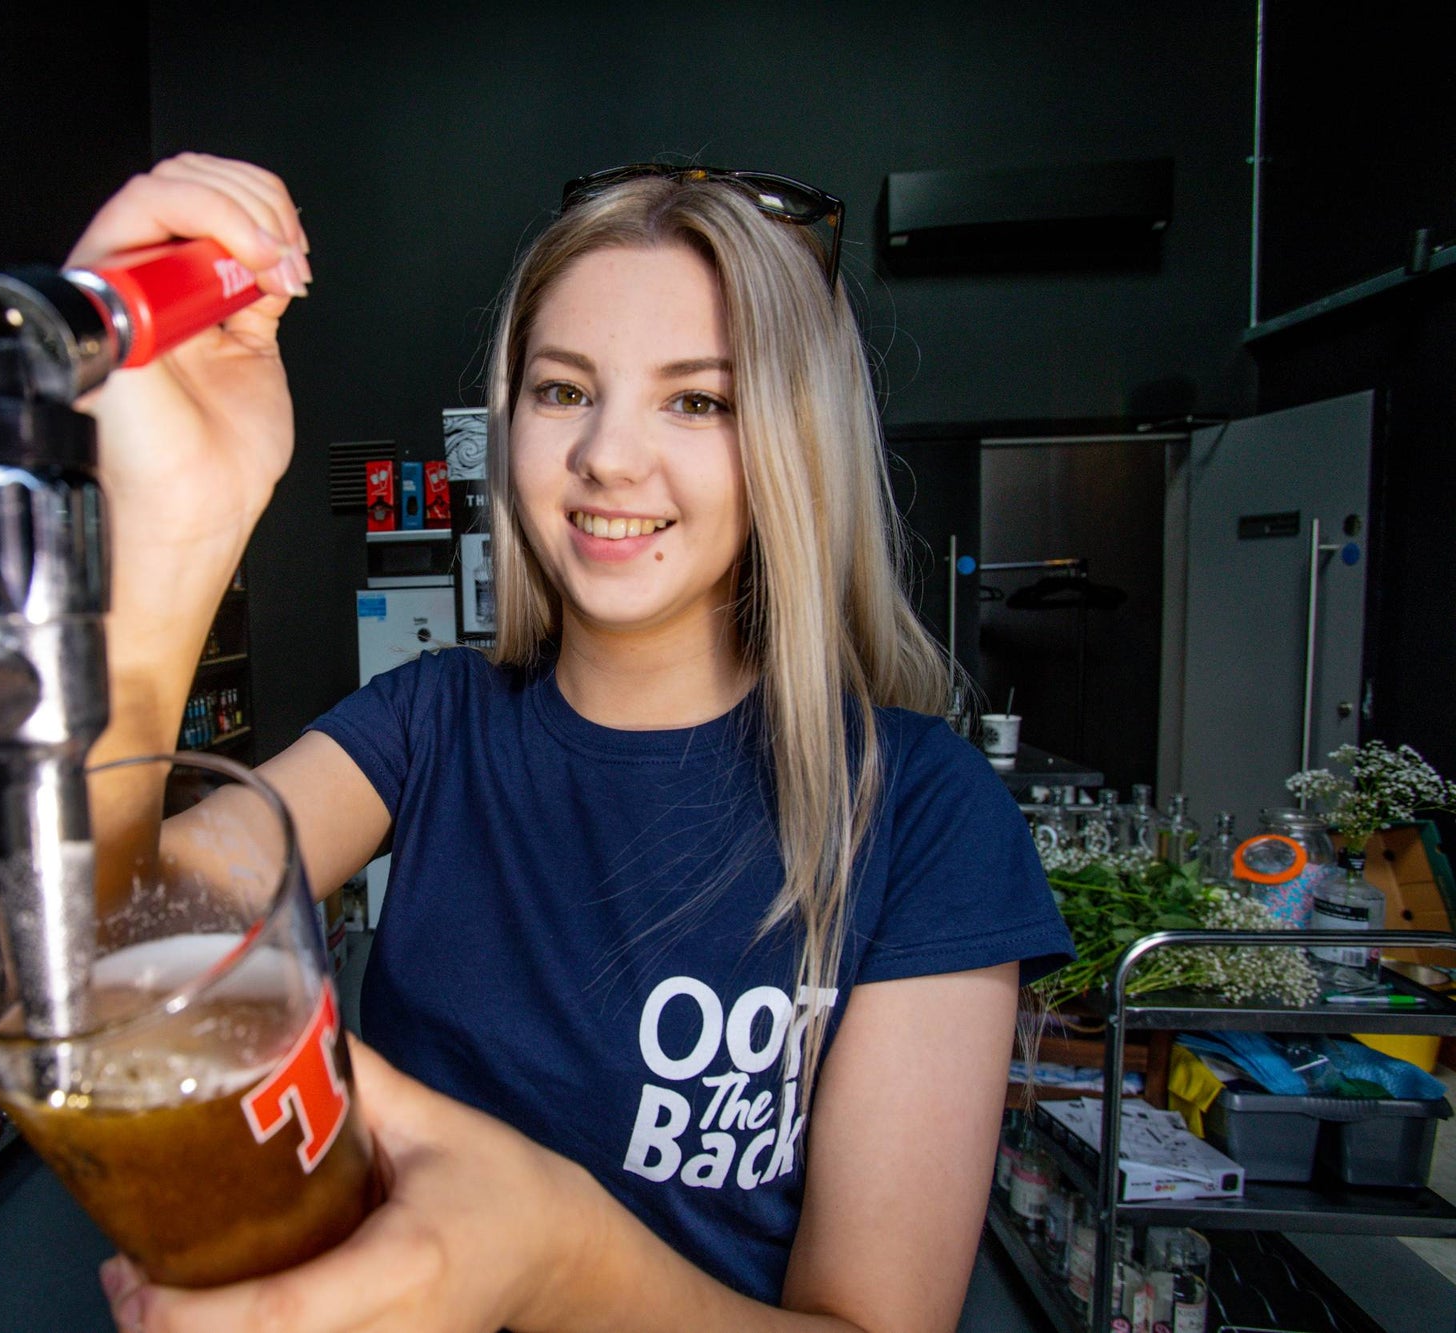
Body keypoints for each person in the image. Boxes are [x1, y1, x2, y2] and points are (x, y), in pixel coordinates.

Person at [76, 152, 1072, 1332]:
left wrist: (553, 1257)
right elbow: (91, 949)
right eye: (561, 390)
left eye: (697, 399)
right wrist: (169, 529)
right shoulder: (427, 722)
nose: (606, 455)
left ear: (793, 447)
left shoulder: (922, 810)